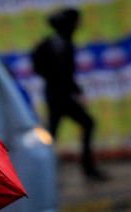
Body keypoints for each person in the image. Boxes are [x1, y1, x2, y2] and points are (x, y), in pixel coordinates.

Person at [32, 7, 108, 181]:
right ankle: (83, 170)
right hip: (59, 97)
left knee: (55, 134)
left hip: (58, 95)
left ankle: (49, 173)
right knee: (77, 127)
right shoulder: (56, 44)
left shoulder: (60, 42)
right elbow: (57, 71)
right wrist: (67, 86)